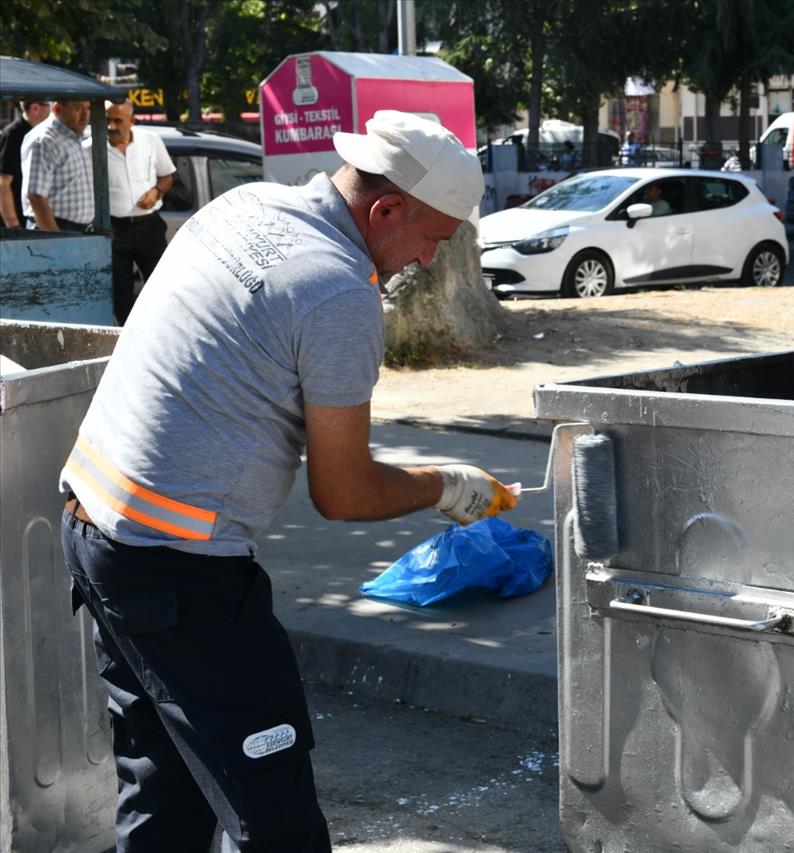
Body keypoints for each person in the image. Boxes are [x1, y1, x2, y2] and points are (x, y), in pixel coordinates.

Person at [58, 111, 516, 852]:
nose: (428, 261)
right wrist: (444, 484)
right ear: (387, 209)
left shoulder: (247, 206)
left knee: (165, 795)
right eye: (433, 238)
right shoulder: (337, 291)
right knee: (277, 824)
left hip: (95, 526)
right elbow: (345, 492)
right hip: (178, 573)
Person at [102, 99, 176, 323]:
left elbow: (167, 176)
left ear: (132, 121)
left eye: (118, 121)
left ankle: (164, 330)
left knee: (162, 286)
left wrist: (156, 192)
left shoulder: (150, 140)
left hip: (149, 226)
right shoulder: (91, 148)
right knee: (120, 293)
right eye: (107, 120)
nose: (111, 127)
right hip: (115, 229)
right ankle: (127, 338)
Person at [24, 99, 94, 231]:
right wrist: (56, 240)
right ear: (57, 110)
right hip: (56, 229)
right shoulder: (44, 140)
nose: (86, 115)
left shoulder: (77, 135)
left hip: (80, 231)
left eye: (88, 108)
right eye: (78, 109)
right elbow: (36, 196)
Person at [0, 99, 50, 228]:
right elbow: (3, 183)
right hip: (18, 223)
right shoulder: (13, 134)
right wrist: (13, 224)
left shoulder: (39, 133)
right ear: (35, 108)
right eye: (48, 105)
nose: (51, 110)